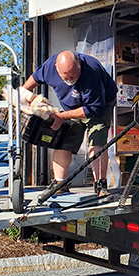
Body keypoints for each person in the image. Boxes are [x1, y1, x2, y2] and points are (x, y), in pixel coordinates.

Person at [22, 50, 118, 195]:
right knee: (63, 141)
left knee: (96, 141)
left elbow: (93, 109)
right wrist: (21, 97)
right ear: (56, 68)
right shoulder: (49, 67)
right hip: (71, 106)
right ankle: (59, 183)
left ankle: (100, 185)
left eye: (73, 75)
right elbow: (29, 85)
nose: (70, 79)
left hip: (99, 106)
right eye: (65, 77)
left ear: (79, 64)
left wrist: (62, 116)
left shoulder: (92, 71)